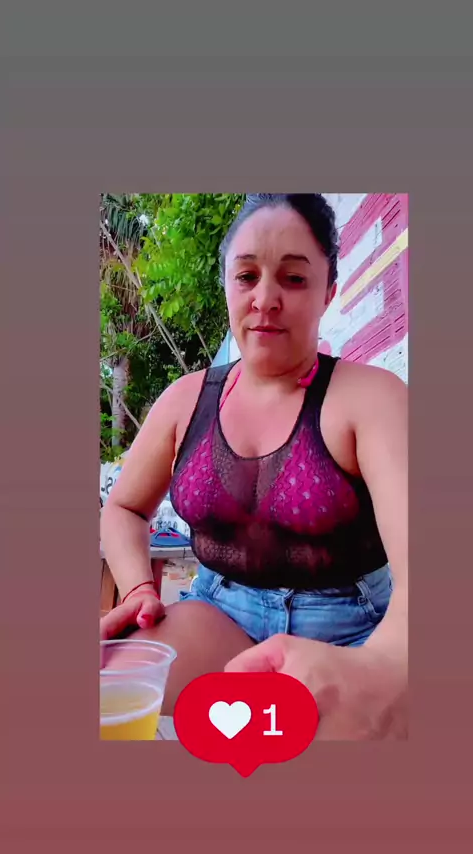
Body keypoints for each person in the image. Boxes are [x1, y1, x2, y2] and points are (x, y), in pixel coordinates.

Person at [100, 193, 408, 738]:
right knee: (109, 699)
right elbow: (123, 507)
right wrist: (137, 589)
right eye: (246, 276)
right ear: (226, 284)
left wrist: (383, 667)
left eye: (294, 278)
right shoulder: (185, 401)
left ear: (328, 291)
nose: (265, 299)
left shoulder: (371, 399)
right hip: (217, 611)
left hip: (350, 632)